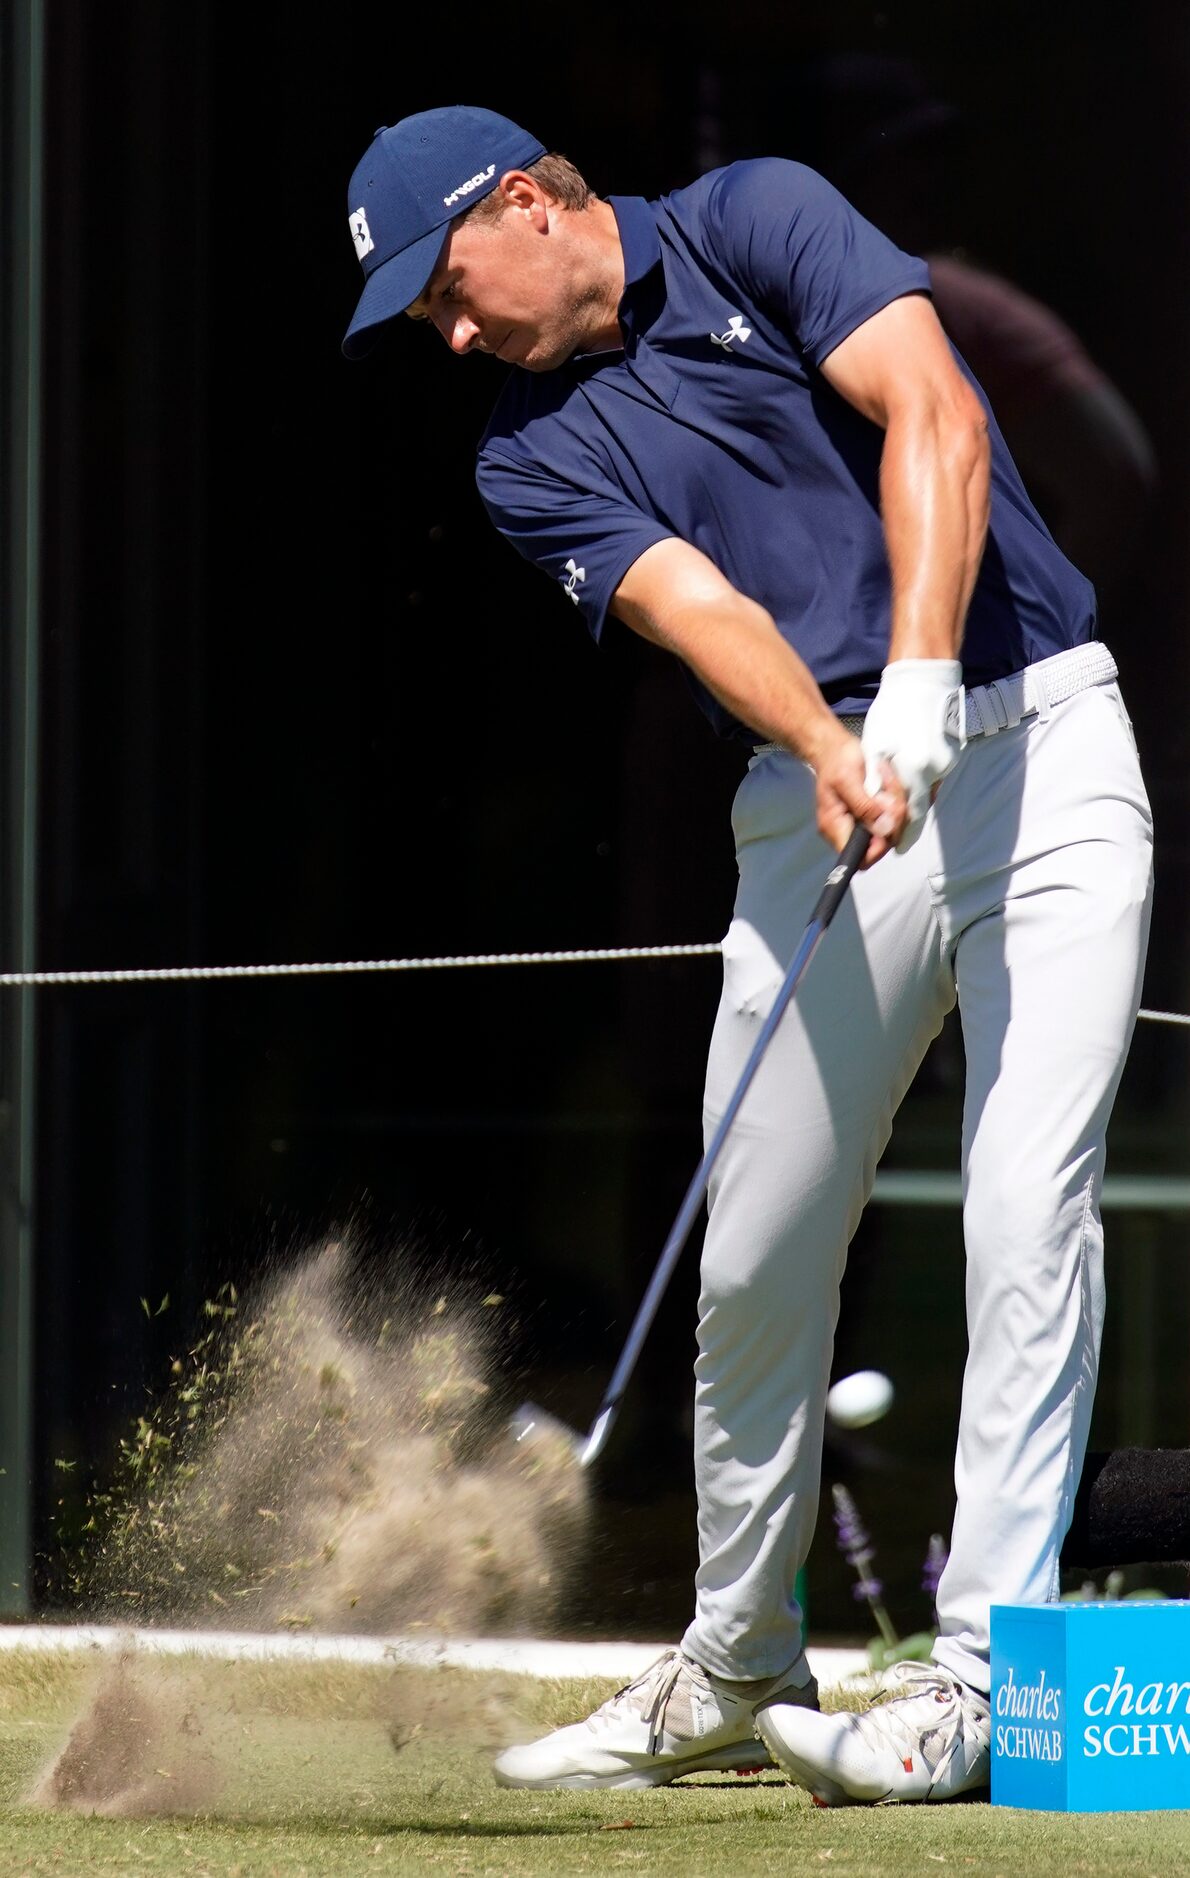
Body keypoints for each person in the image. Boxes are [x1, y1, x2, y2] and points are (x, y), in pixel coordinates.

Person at [341, 105, 1153, 1805]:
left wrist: (922, 683)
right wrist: (834, 742)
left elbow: (933, 409)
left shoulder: (755, 216)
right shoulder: (515, 455)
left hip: (1041, 752)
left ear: (521, 203)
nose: (453, 330)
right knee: (753, 1254)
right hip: (816, 801)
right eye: (430, 319)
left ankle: (981, 1674)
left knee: (1024, 1198)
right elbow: (698, 606)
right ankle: (732, 1659)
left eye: (446, 288)